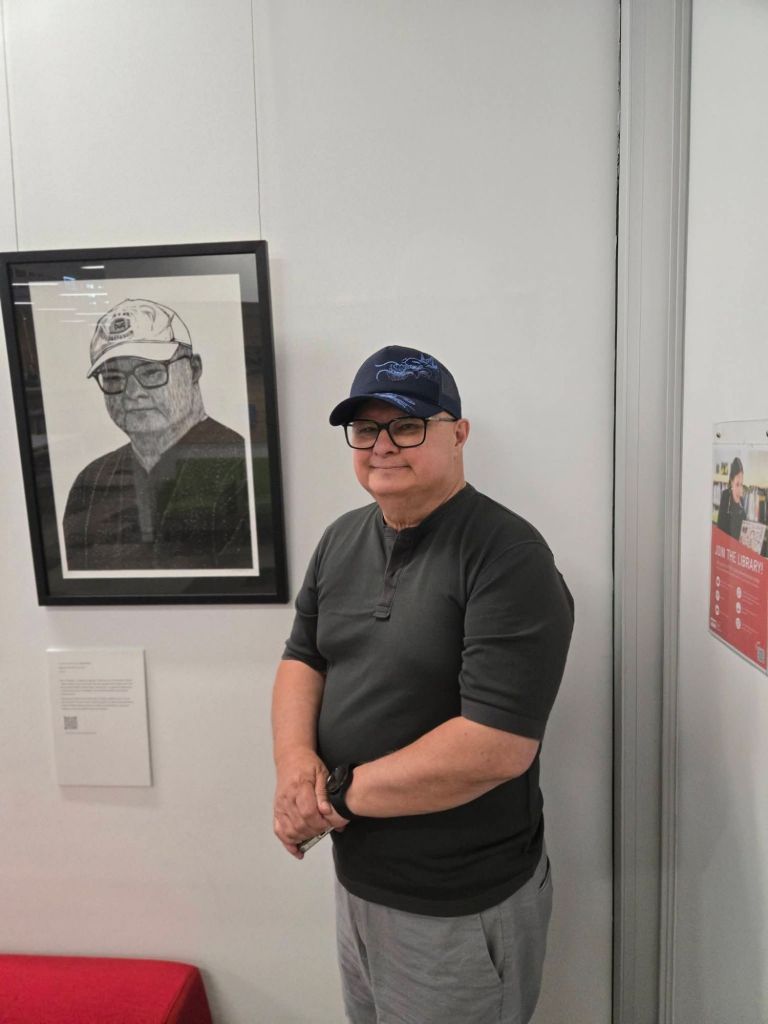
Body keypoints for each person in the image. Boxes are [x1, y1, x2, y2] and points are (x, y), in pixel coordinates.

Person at [272, 345, 574, 1024]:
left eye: (407, 426)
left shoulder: (508, 557)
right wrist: (294, 765)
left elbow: (495, 747)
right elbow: (303, 659)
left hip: (458, 905)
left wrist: (330, 799)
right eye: (365, 429)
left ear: (458, 433)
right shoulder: (340, 539)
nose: (382, 445)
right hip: (358, 883)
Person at [62, 298, 252, 571]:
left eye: (151, 371)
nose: (132, 393)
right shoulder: (91, 482)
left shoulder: (241, 465)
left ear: (194, 369)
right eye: (113, 378)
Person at [716, 457, 746, 542]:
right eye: (737, 484)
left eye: (741, 484)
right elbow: (720, 527)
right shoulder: (726, 495)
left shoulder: (742, 500)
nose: (739, 489)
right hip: (728, 543)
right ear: (732, 482)